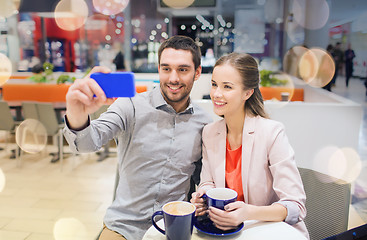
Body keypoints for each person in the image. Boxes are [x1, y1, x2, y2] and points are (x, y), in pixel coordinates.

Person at [63, 35, 212, 240]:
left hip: (173, 227)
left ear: (197, 73)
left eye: (183, 69)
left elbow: (207, 179)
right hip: (124, 227)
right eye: (166, 68)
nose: (173, 78)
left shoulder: (205, 123)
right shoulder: (130, 106)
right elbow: (86, 143)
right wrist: (77, 113)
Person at [190, 53, 309, 239]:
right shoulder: (210, 133)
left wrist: (247, 212)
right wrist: (203, 194)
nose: (216, 94)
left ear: (248, 92)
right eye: (214, 84)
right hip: (227, 232)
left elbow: (296, 206)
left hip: (269, 233)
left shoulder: (272, 132)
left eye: (227, 86)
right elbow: (208, 181)